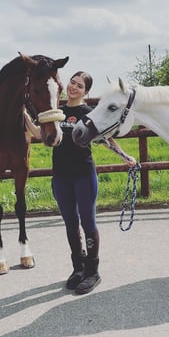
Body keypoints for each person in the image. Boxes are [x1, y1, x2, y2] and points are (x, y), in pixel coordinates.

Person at [49, 71, 136, 294]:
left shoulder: (87, 112)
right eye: (72, 82)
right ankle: (77, 268)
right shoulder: (57, 111)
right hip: (61, 176)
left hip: (83, 176)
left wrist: (125, 156)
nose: (74, 87)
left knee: (88, 223)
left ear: (86, 92)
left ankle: (92, 271)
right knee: (70, 223)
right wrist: (27, 118)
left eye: (80, 86)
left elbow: (106, 138)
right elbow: (42, 136)